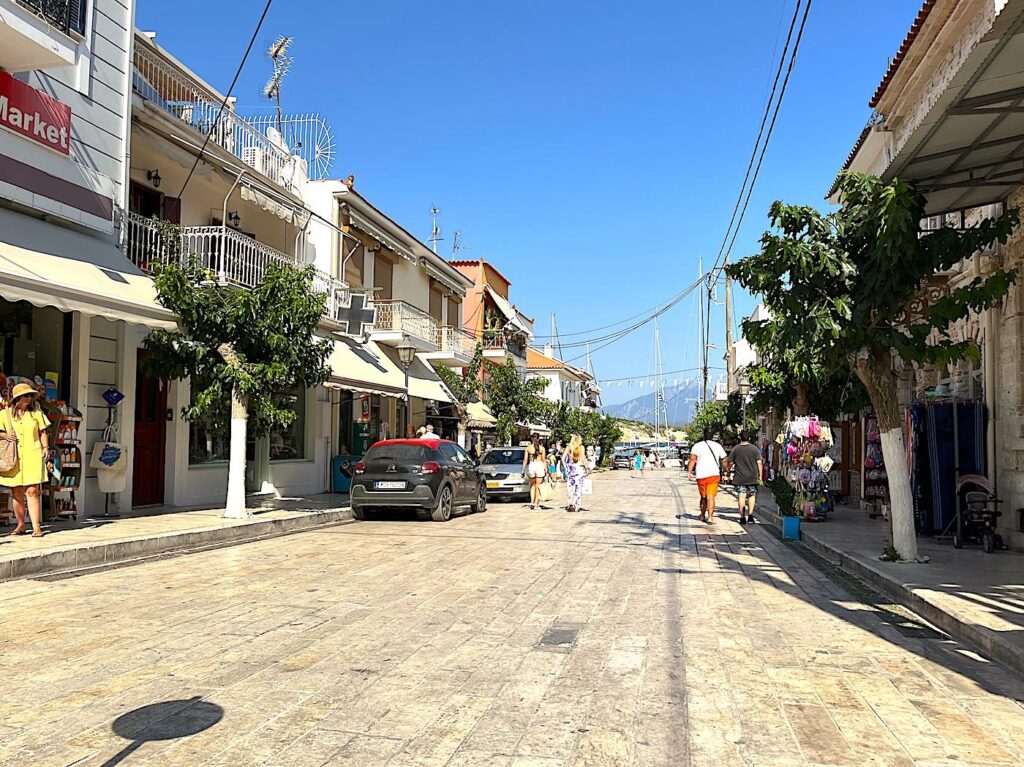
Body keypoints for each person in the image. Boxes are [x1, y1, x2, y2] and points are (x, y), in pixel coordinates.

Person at [1, 383, 53, 537]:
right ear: (17, 398)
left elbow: (43, 431)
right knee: (16, 491)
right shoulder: (5, 414)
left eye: (31, 395)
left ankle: (36, 527)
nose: (29, 398)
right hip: (14, 457)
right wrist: (4, 435)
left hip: (33, 454)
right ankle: (21, 524)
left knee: (32, 491)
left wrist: (45, 448)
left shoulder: (36, 412)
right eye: (26, 396)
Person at [687, 428, 728, 524]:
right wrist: (726, 470)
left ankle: (702, 515)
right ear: (713, 435)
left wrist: (689, 472)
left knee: (703, 496)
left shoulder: (697, 446)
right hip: (714, 474)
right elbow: (724, 459)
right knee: (711, 496)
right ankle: (710, 517)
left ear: (704, 435)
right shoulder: (718, 446)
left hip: (701, 475)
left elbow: (692, 459)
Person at [724, 430, 764, 525]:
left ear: (740, 438)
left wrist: (728, 470)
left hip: (740, 478)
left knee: (741, 496)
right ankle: (750, 515)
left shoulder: (736, 449)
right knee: (752, 495)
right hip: (752, 477)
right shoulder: (754, 449)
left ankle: (742, 517)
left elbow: (730, 462)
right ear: (749, 438)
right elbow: (759, 463)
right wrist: (760, 476)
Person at [563, 434, 589, 512]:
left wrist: (566, 467)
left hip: (571, 469)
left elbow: (563, 458)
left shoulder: (569, 447)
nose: (582, 440)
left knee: (570, 487)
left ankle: (569, 503)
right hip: (579, 469)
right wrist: (587, 468)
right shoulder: (581, 448)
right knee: (578, 488)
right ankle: (576, 505)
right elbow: (583, 458)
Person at [522, 433, 547, 509]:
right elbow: (543, 460)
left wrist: (523, 470)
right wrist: (546, 469)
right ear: (538, 439)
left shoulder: (528, 448)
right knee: (538, 486)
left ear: (532, 439)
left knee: (532, 485)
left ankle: (532, 502)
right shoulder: (542, 448)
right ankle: (536, 504)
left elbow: (525, 460)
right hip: (539, 465)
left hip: (532, 465)